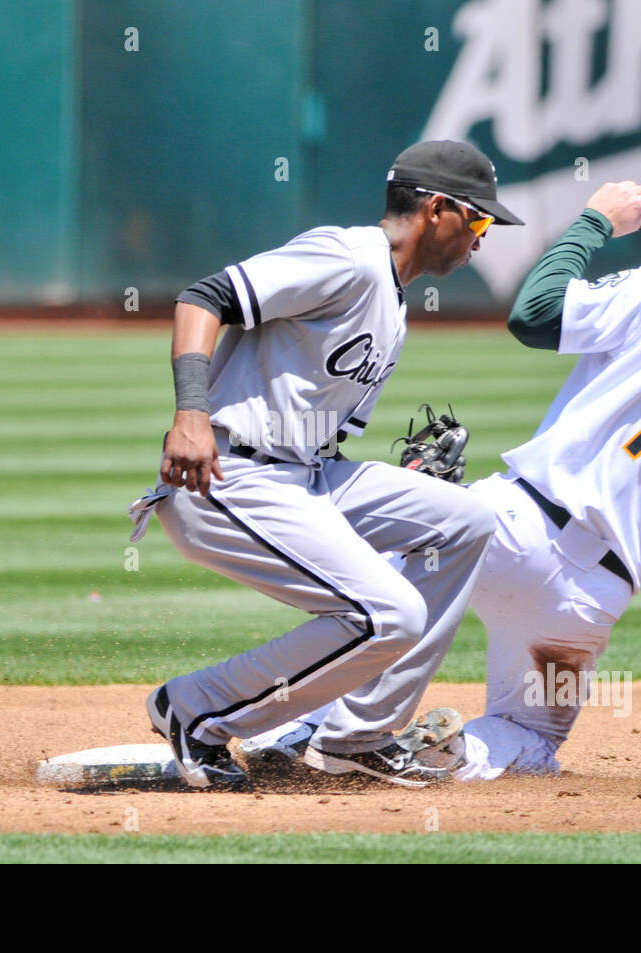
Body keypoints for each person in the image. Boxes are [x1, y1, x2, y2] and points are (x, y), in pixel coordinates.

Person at [242, 184, 641, 780]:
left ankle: (295, 730)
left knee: (390, 627)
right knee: (531, 735)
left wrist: (593, 222)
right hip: (583, 608)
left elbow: (534, 315)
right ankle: (445, 757)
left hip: (504, 528)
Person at [127, 140, 525, 788]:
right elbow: (204, 297)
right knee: (389, 613)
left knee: (468, 518)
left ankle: (355, 736)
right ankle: (196, 709)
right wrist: (191, 415)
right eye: (479, 220)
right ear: (438, 209)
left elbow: (318, 433)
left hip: (302, 474)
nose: (481, 239)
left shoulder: (394, 306)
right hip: (228, 474)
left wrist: (409, 489)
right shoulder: (349, 257)